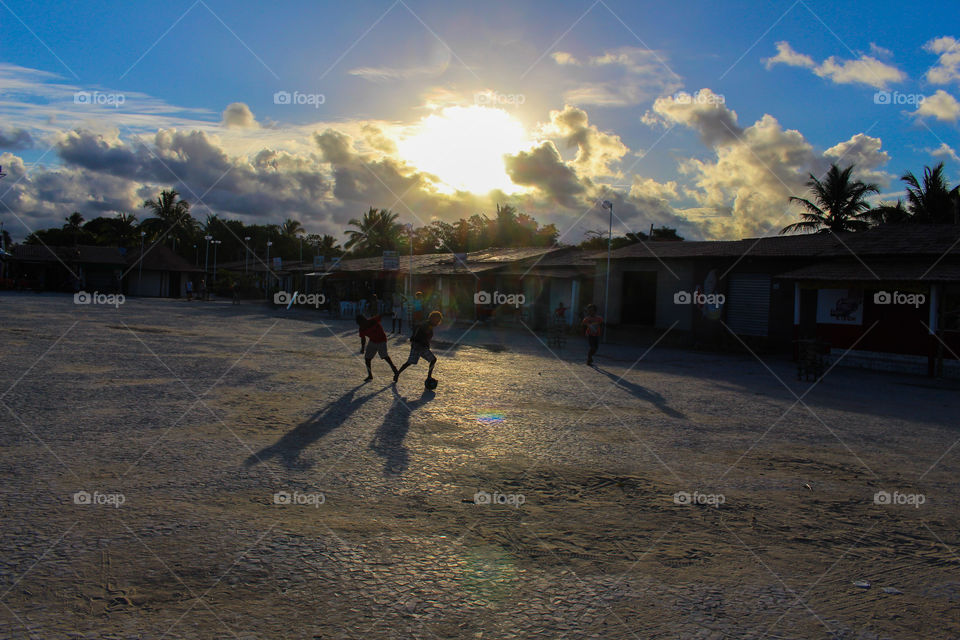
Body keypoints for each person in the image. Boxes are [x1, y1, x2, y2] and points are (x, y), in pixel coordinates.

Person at [394, 310, 441, 385]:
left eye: (438, 320)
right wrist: (414, 340)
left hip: (421, 346)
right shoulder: (426, 325)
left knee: (431, 360)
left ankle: (397, 373)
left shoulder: (428, 324)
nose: (438, 322)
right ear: (432, 318)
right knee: (410, 362)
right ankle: (397, 373)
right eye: (437, 320)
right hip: (418, 346)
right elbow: (418, 330)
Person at [357, 313, 398, 381]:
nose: (361, 325)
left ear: (365, 320)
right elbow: (363, 338)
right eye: (360, 324)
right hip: (373, 341)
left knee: (385, 356)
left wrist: (390, 313)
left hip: (382, 340)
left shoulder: (373, 320)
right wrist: (362, 348)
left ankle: (395, 370)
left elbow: (382, 315)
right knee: (367, 359)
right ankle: (370, 375)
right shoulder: (361, 328)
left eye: (362, 323)